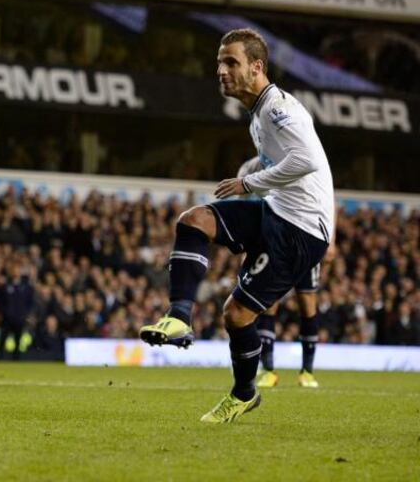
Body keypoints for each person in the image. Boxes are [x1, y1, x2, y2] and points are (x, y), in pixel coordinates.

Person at [138, 28, 334, 423]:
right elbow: (278, 161)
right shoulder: (259, 113)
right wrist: (252, 172)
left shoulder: (279, 109)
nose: (221, 70)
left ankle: (244, 393)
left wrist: (248, 183)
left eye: (231, 62)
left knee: (237, 316)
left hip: (300, 231)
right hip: (276, 211)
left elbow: (307, 160)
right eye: (219, 63)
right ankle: (178, 316)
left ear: (256, 67)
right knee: (193, 220)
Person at [237, 157, 333, 389]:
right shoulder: (250, 167)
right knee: (268, 304)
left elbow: (328, 198)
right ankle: (268, 370)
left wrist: (331, 236)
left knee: (307, 302)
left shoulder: (301, 157)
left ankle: (307, 372)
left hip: (304, 237)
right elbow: (245, 204)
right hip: (271, 242)